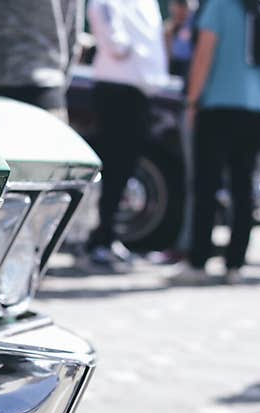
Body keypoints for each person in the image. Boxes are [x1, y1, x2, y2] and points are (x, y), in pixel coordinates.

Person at [170, 0, 260, 285]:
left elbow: (204, 53)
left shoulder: (220, 5)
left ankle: (199, 261)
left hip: (217, 108)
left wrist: (193, 101)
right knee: (244, 191)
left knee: (206, 186)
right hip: (257, 111)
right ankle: (236, 263)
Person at [83, 0, 168, 269]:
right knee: (114, 166)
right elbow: (103, 17)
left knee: (125, 168)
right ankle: (98, 240)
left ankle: (107, 235)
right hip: (117, 90)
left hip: (138, 92)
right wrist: (123, 48)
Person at [166, 0, 198, 78]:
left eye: (183, 6)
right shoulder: (168, 28)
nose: (178, 10)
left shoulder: (197, 27)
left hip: (189, 71)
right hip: (172, 71)